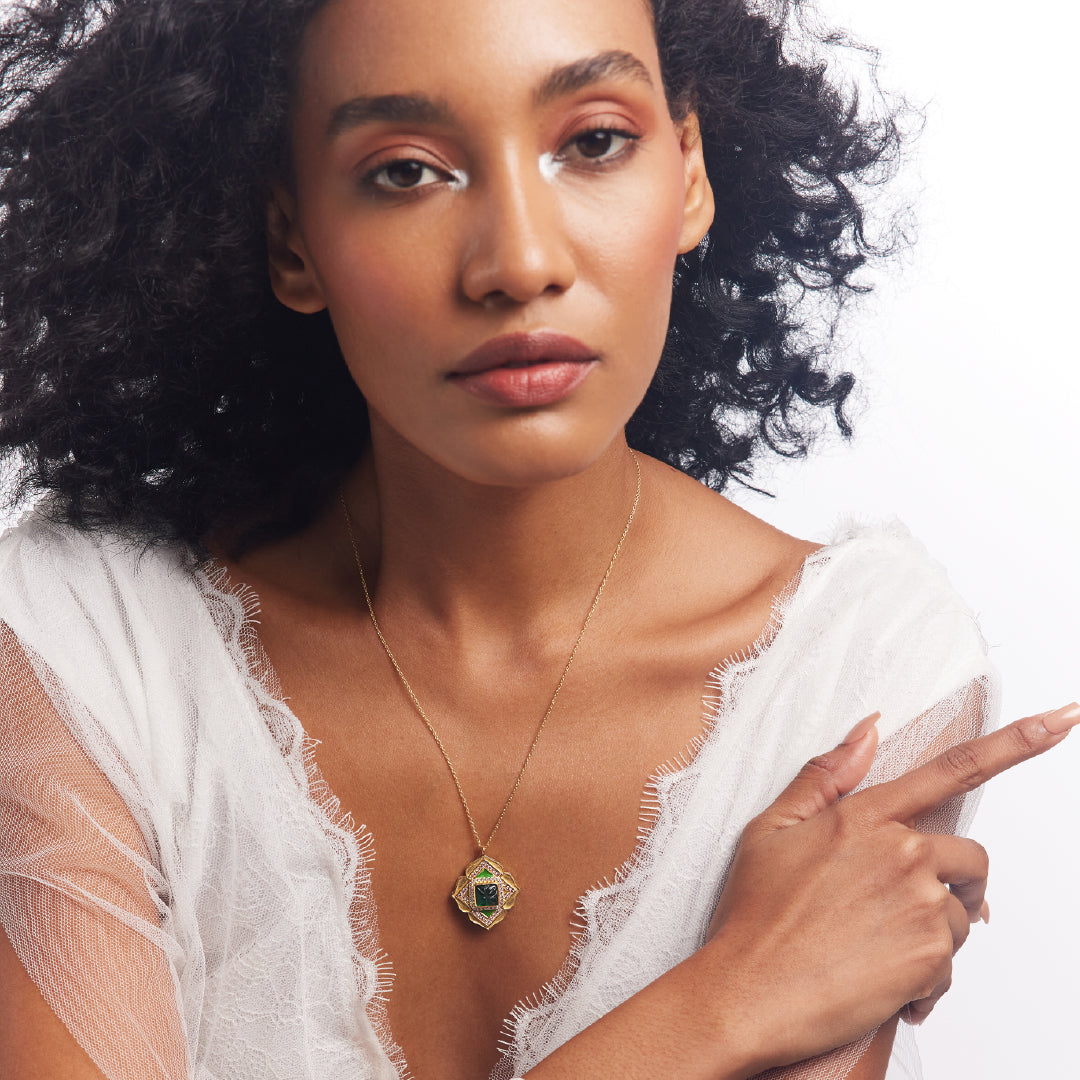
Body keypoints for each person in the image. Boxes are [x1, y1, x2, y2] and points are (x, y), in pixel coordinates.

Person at [0, 0, 1074, 1077]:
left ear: (689, 173)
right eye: (407, 170)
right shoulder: (84, 649)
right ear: (293, 238)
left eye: (595, 142)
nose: (518, 261)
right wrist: (723, 1002)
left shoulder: (857, 675)